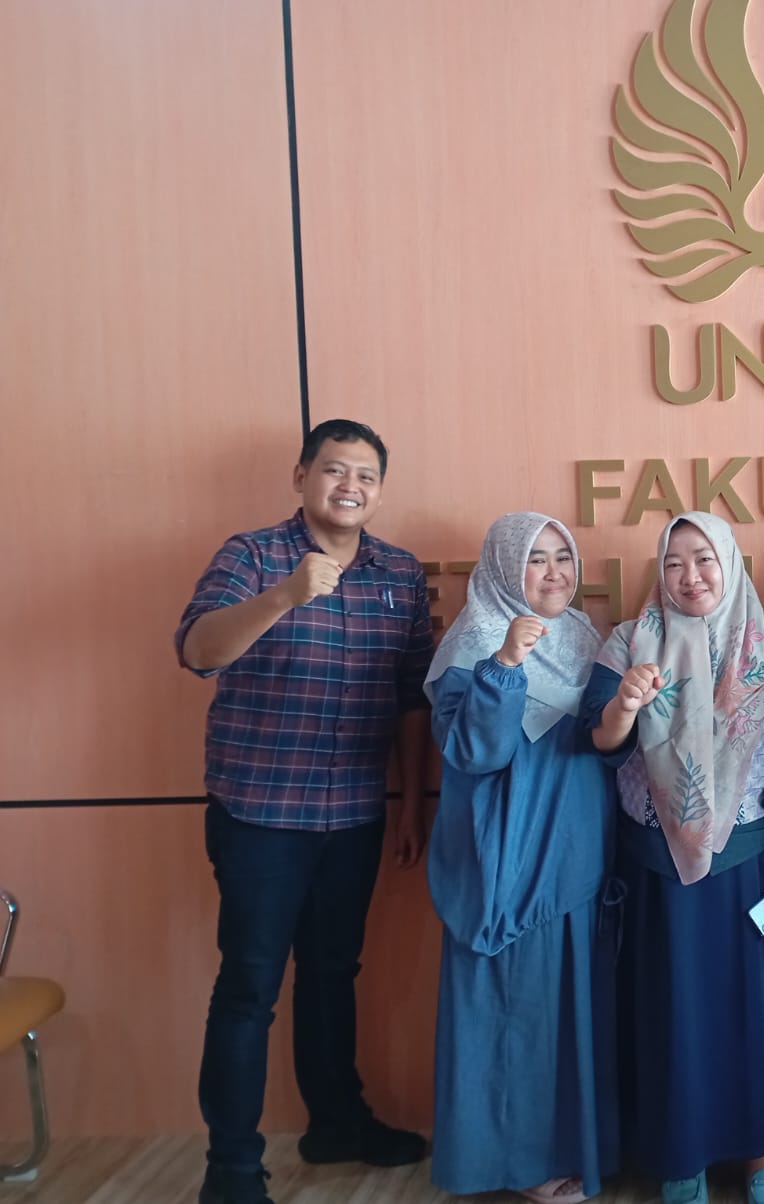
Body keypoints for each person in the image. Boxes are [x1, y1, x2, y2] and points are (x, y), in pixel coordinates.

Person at [175, 419, 432, 1204]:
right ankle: (231, 1168)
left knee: (332, 974)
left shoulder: (399, 571)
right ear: (301, 477)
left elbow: (411, 698)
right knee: (249, 987)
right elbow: (198, 651)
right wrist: (286, 596)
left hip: (354, 812)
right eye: (334, 470)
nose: (350, 486)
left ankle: (337, 1124)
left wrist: (410, 804)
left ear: (379, 490)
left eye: (365, 475)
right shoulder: (252, 556)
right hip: (260, 813)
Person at [581, 511, 764, 1204]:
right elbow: (597, 741)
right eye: (675, 563)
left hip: (748, 864)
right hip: (654, 869)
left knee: (752, 1010)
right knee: (669, 1012)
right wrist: (625, 706)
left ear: (730, 562)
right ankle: (677, 1155)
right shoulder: (629, 641)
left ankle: (759, 1151)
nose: (691, 576)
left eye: (704, 559)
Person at [424, 512, 620, 1203]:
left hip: (578, 852)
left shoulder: (584, 637)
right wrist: (506, 664)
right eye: (536, 558)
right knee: (515, 1012)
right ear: (506, 568)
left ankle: (571, 1148)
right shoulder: (475, 641)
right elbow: (475, 752)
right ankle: (518, 1164)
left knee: (568, 1010)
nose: (554, 572)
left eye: (563, 556)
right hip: (509, 856)